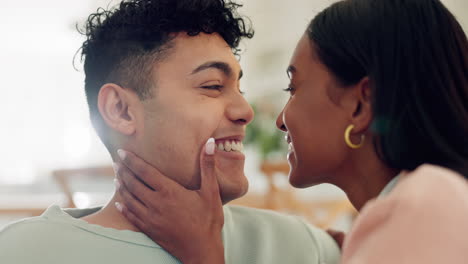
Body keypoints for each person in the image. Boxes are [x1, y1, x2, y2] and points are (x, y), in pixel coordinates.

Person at [114, 0, 468, 263]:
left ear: (361, 106)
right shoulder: (402, 218)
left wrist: (203, 254)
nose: (277, 118)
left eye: (294, 89)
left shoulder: (427, 206)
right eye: (211, 86)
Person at [0, 0, 341, 264]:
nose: (245, 111)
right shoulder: (23, 252)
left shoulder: (300, 246)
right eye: (212, 86)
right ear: (121, 110)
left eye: (239, 86)